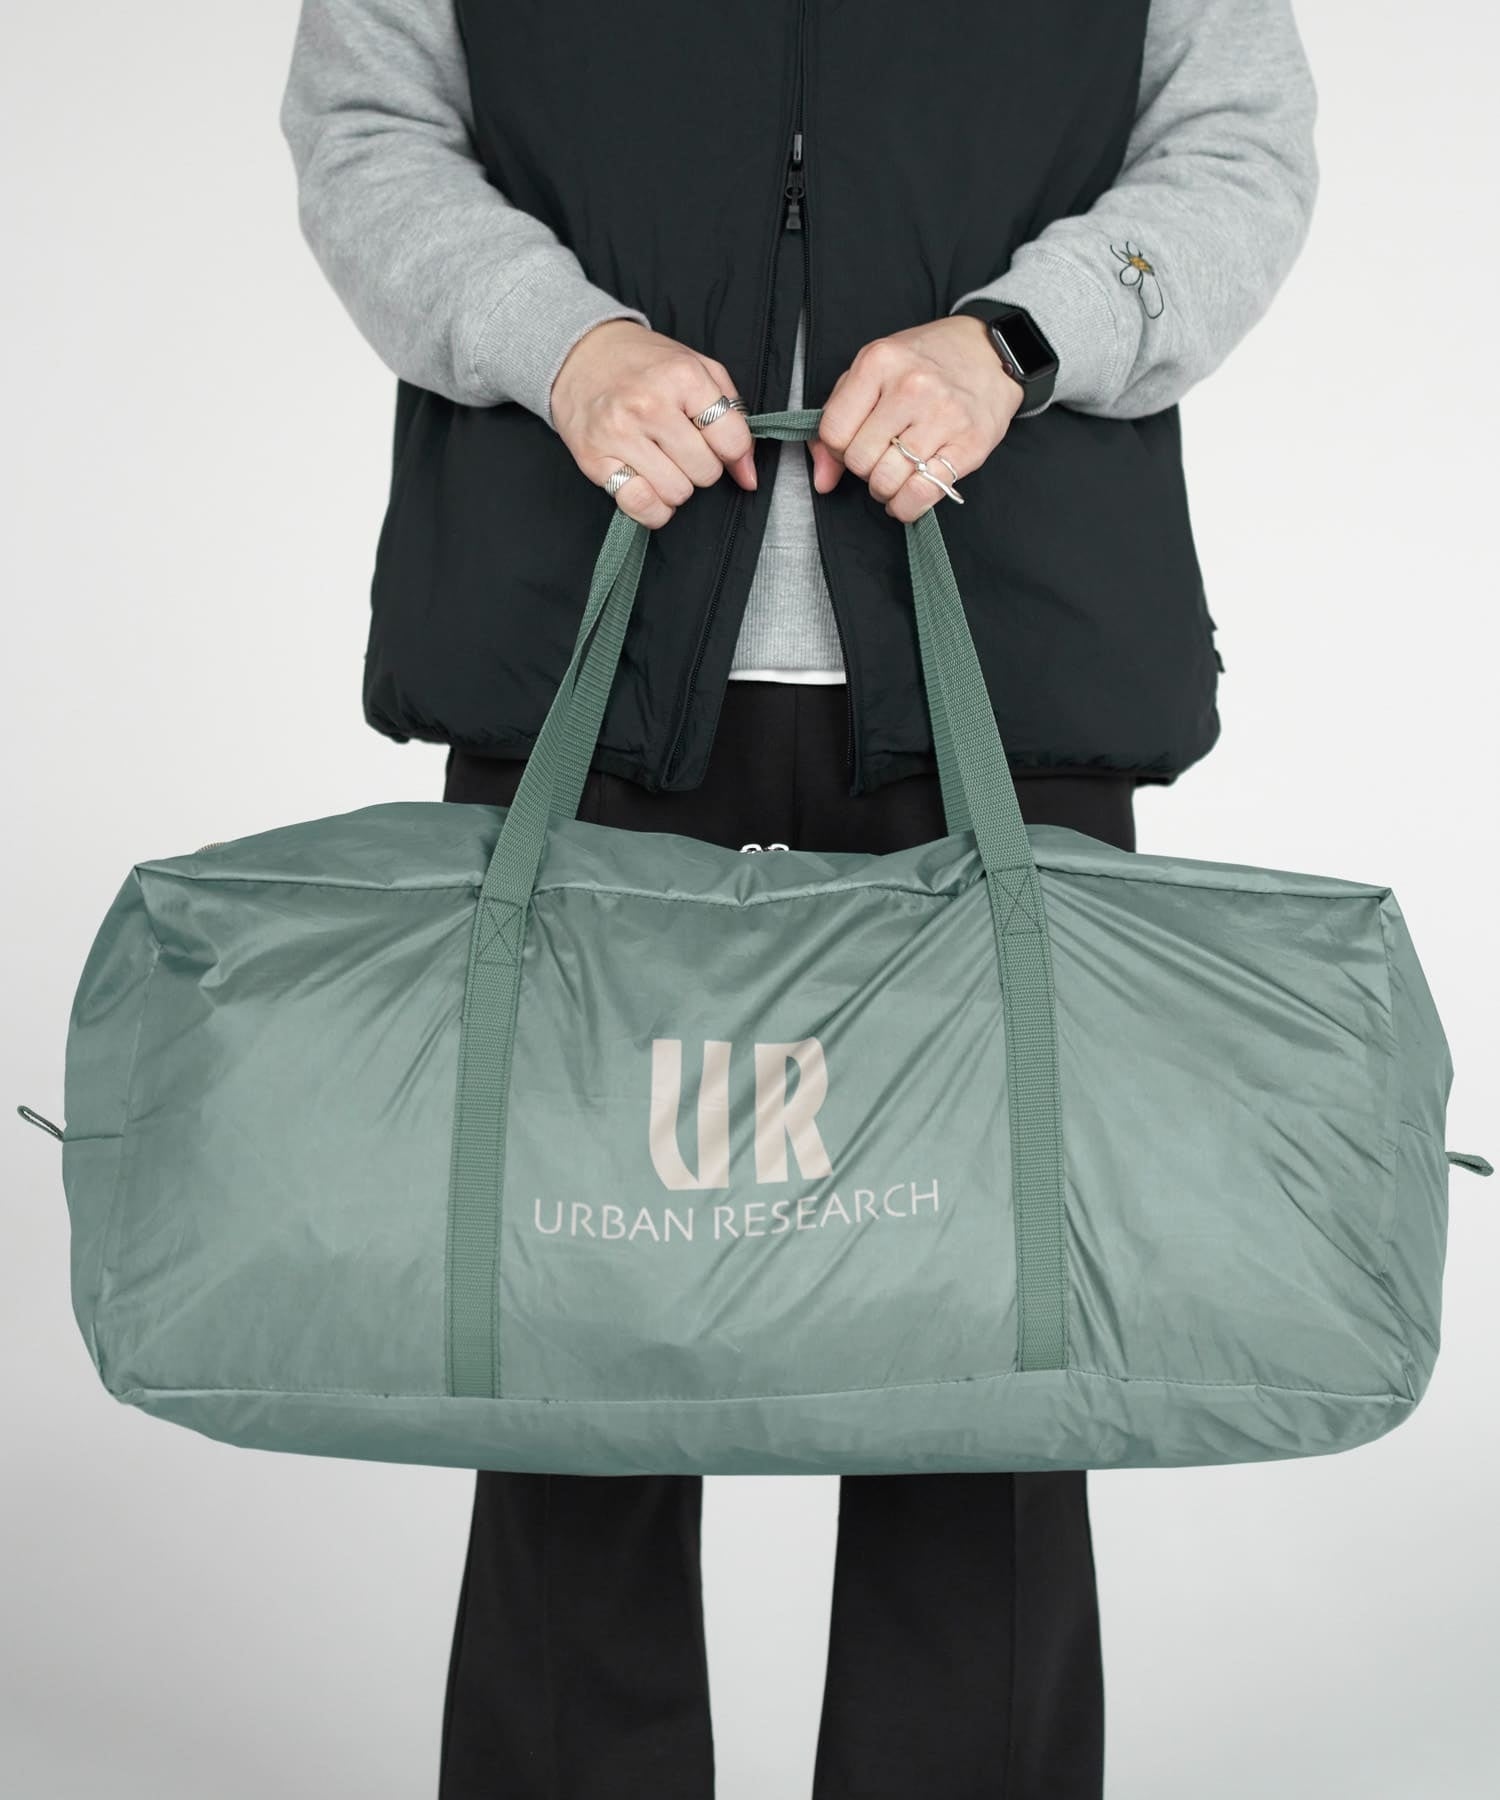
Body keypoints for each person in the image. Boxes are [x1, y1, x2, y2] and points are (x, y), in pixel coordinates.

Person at [280, 2, 1317, 1793]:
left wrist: (1018, 342)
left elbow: (1237, 142)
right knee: (562, 1359)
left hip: (1012, 671)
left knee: (994, 1391)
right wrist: (563, 344)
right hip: (574, 660)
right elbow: (370, 119)